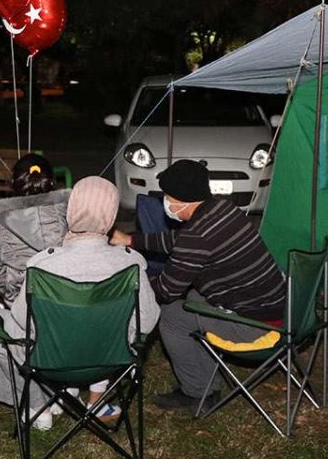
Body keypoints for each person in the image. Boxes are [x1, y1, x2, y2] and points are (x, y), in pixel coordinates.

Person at [110, 159, 287, 412]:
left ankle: (197, 394)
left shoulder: (196, 236)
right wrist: (131, 240)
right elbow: (178, 240)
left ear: (183, 200)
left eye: (168, 197)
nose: (165, 203)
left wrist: (130, 279)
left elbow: (166, 290)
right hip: (278, 308)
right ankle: (205, 382)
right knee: (192, 297)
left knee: (171, 316)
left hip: (258, 327)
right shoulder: (223, 209)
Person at [0, 176, 158, 430]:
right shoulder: (131, 263)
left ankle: (38, 406)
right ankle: (88, 399)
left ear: (71, 211)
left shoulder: (43, 265)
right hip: (110, 360)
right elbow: (147, 319)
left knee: (1, 326)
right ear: (112, 215)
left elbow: (21, 321)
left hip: (52, 362)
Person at [0, 154, 70, 305]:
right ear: (52, 182)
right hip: (61, 298)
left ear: (13, 183)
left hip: (22, 302)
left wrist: (8, 296)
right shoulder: (67, 212)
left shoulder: (1, 220)